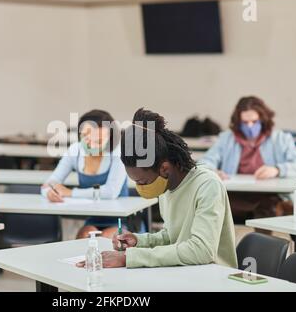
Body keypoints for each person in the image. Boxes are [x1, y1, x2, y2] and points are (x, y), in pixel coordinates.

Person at [78, 108, 237, 269]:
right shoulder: (166, 186)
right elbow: (172, 237)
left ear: (164, 169)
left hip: (213, 276)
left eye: (143, 181)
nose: (140, 188)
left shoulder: (208, 185)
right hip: (185, 272)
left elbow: (202, 250)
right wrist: (139, 241)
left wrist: (129, 257)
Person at [201, 96, 296, 221]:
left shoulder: (280, 139)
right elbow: (204, 162)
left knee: (268, 208)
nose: (249, 126)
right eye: (245, 122)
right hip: (235, 194)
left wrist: (278, 169)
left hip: (269, 195)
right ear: (238, 122)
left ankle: (263, 240)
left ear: (263, 120)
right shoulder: (227, 139)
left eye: (254, 121)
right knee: (213, 203)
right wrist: (212, 171)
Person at [41, 110, 129, 239]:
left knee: (107, 239)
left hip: (122, 219)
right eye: (86, 138)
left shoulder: (118, 152)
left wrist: (70, 193)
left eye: (98, 140)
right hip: (93, 217)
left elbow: (111, 192)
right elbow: (50, 182)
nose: (92, 144)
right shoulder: (75, 150)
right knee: (85, 237)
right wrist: (49, 192)